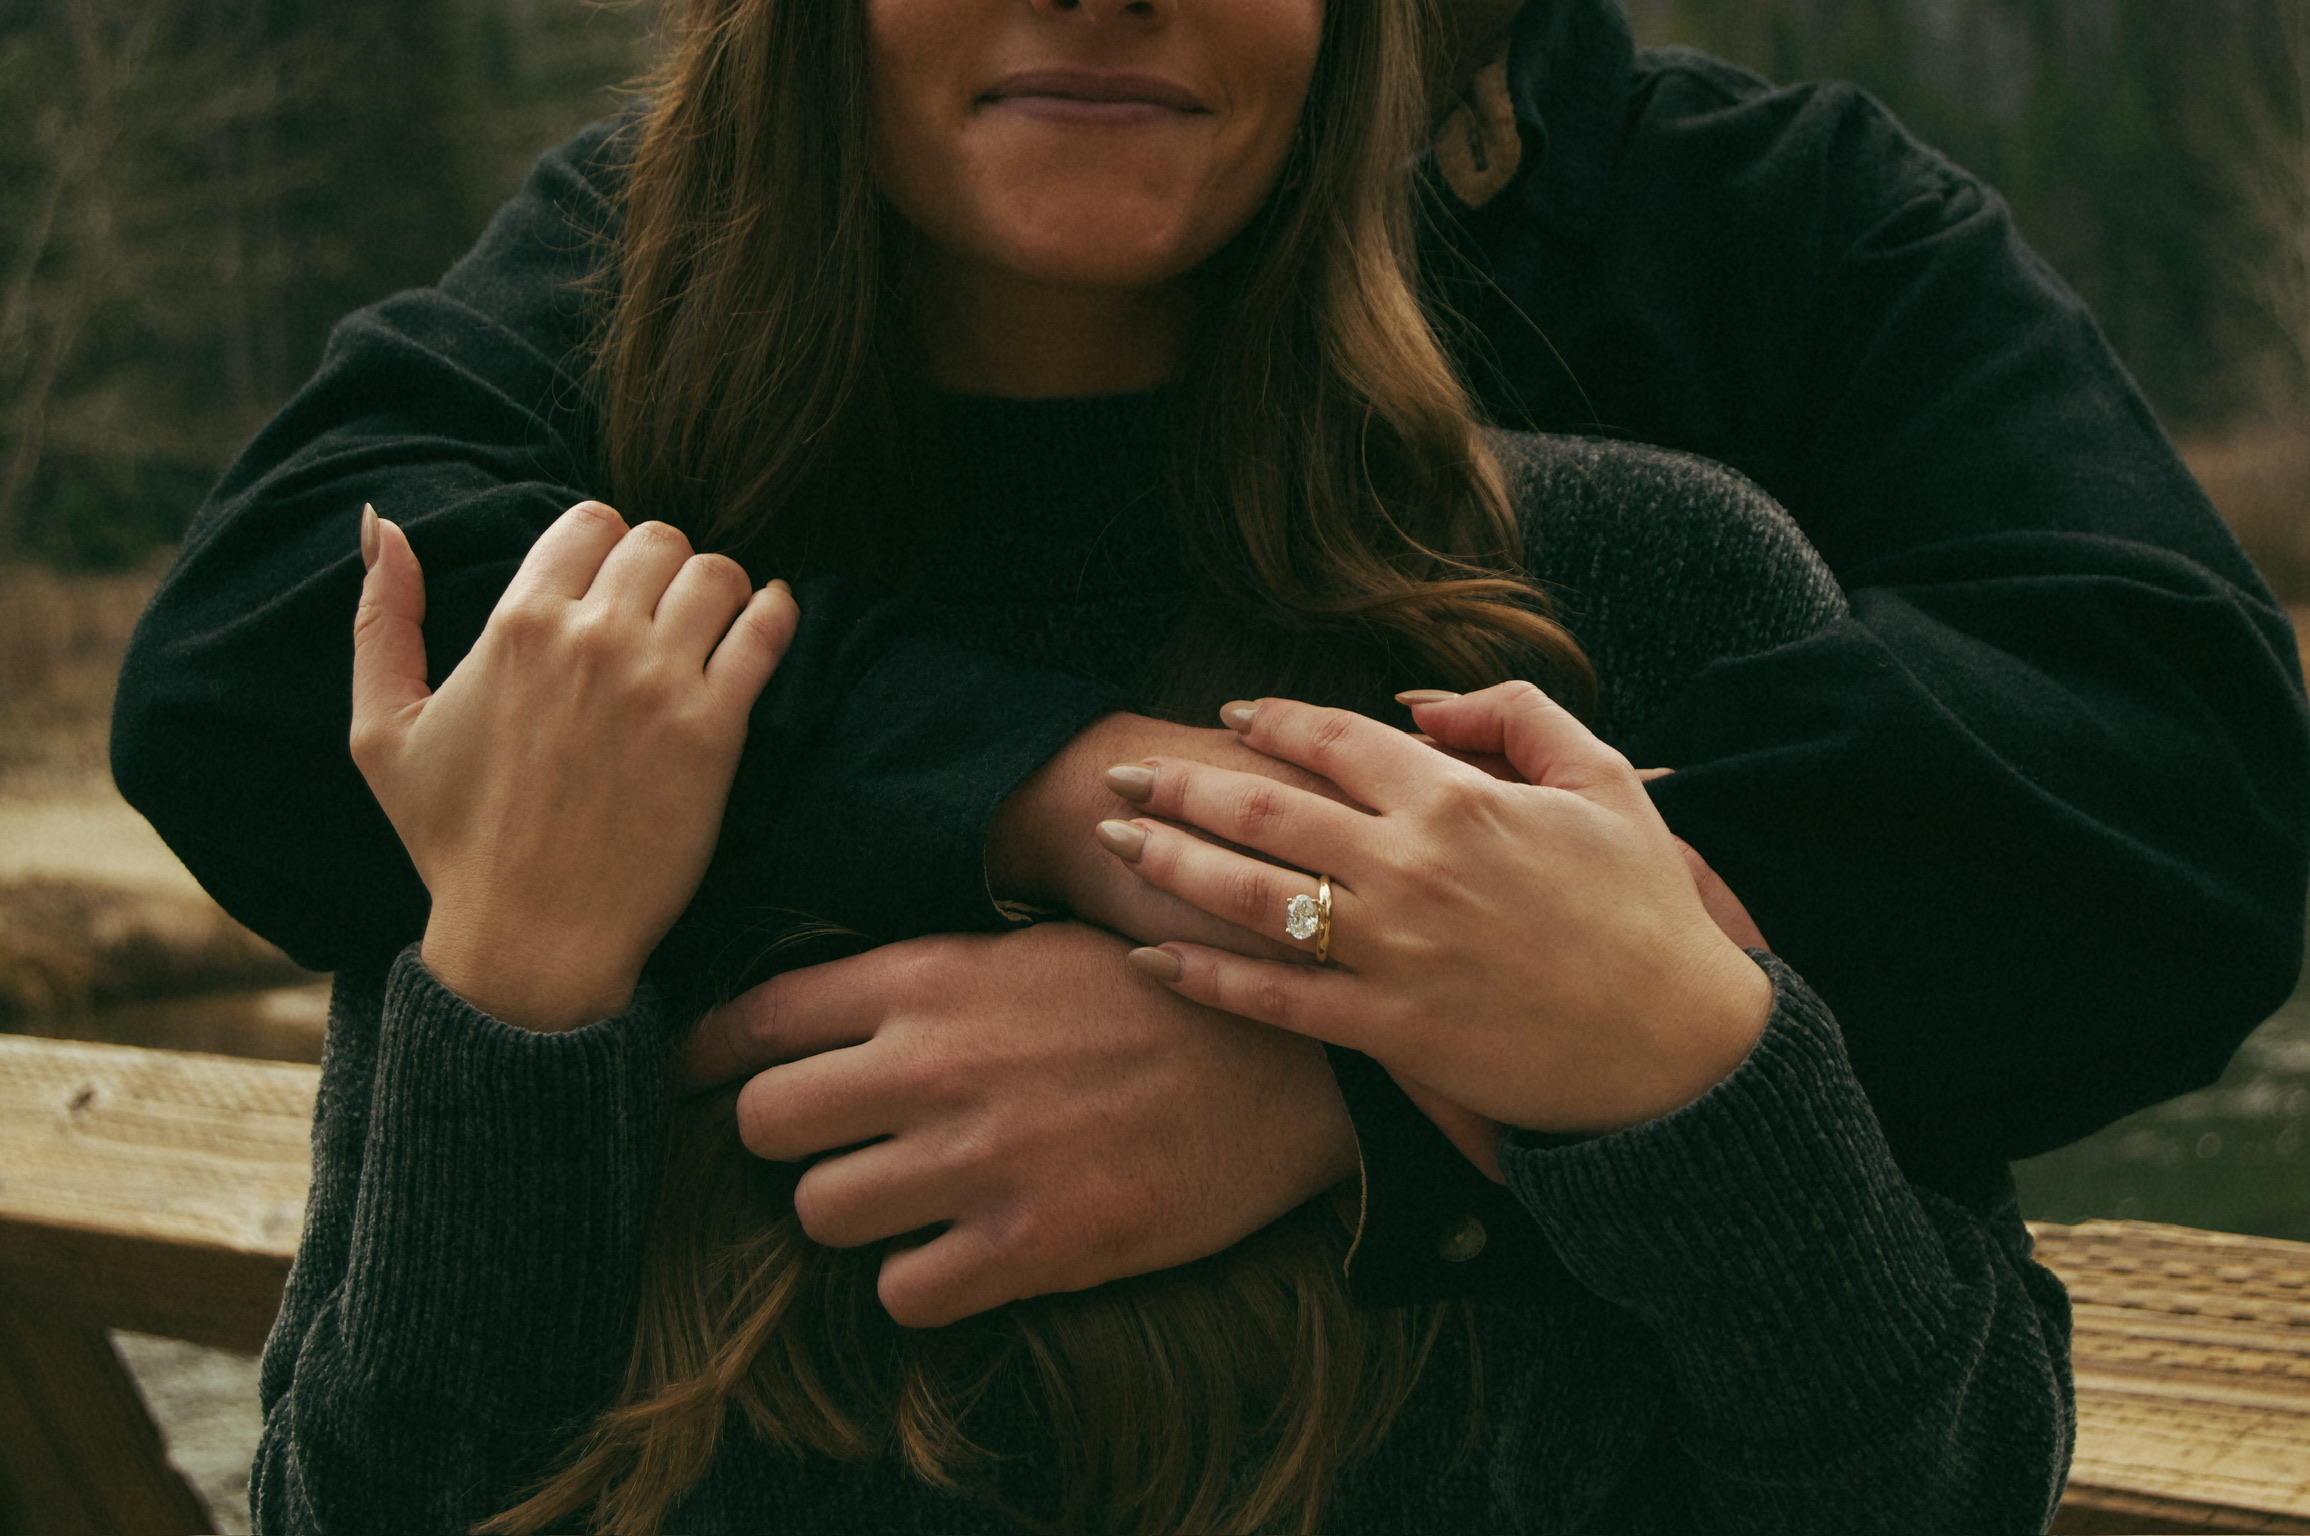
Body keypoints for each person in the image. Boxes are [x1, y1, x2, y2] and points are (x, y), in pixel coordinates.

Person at [105, 0, 2300, 1523]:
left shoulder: (1708, 422)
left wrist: (1405, 1033)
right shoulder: (616, 596)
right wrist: (1068, 796)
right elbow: (262, 641)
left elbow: (2179, 795)